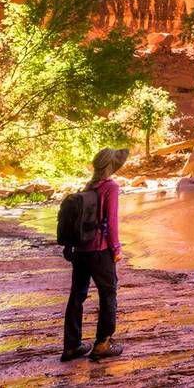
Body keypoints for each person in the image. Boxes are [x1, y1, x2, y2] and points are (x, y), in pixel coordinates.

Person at [62, 147, 128, 363]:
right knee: (108, 294)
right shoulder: (111, 187)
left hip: (81, 251)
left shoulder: (89, 186)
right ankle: (102, 343)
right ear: (112, 167)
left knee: (77, 296)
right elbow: (111, 221)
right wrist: (116, 249)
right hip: (100, 252)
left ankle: (72, 346)